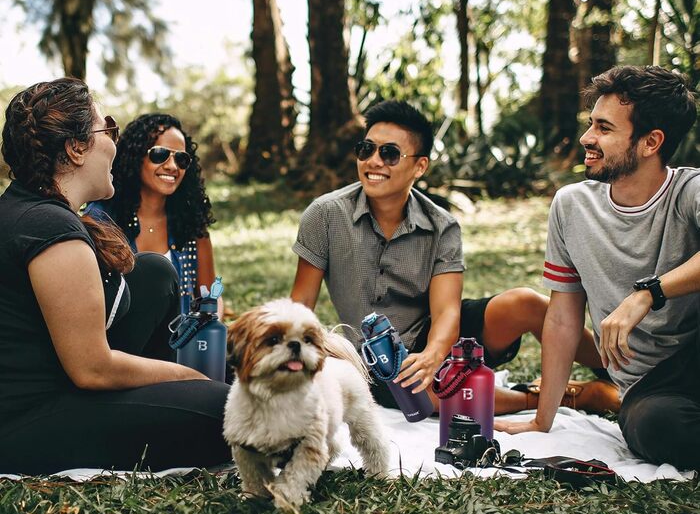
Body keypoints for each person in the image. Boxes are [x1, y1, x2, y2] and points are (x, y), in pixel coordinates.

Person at [290, 100, 619, 414]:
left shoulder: (442, 226)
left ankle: (619, 372)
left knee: (526, 303)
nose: (374, 161)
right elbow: (300, 305)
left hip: (434, 334)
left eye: (389, 153)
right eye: (366, 150)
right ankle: (568, 397)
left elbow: (447, 311)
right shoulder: (325, 215)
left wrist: (433, 355)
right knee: (425, 393)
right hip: (375, 359)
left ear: (419, 166)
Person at [0, 79, 230, 474]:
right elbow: (92, 369)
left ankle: (179, 397)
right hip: (29, 420)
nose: (114, 142)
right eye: (107, 129)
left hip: (59, 383)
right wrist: (189, 378)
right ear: (75, 148)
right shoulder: (49, 229)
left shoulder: (30, 207)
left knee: (155, 271)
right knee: (232, 411)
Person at [496, 65, 700, 471]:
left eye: (604, 128)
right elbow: (562, 320)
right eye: (591, 124)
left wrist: (649, 292)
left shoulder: (689, 190)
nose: (587, 138)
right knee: (653, 428)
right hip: (651, 385)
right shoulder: (572, 206)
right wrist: (542, 419)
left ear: (651, 142)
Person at [86, 113, 221, 314]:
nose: (172, 166)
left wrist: (209, 333)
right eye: (160, 154)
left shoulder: (191, 224)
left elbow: (210, 298)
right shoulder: (100, 219)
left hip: (178, 342)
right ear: (135, 156)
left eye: (181, 159)